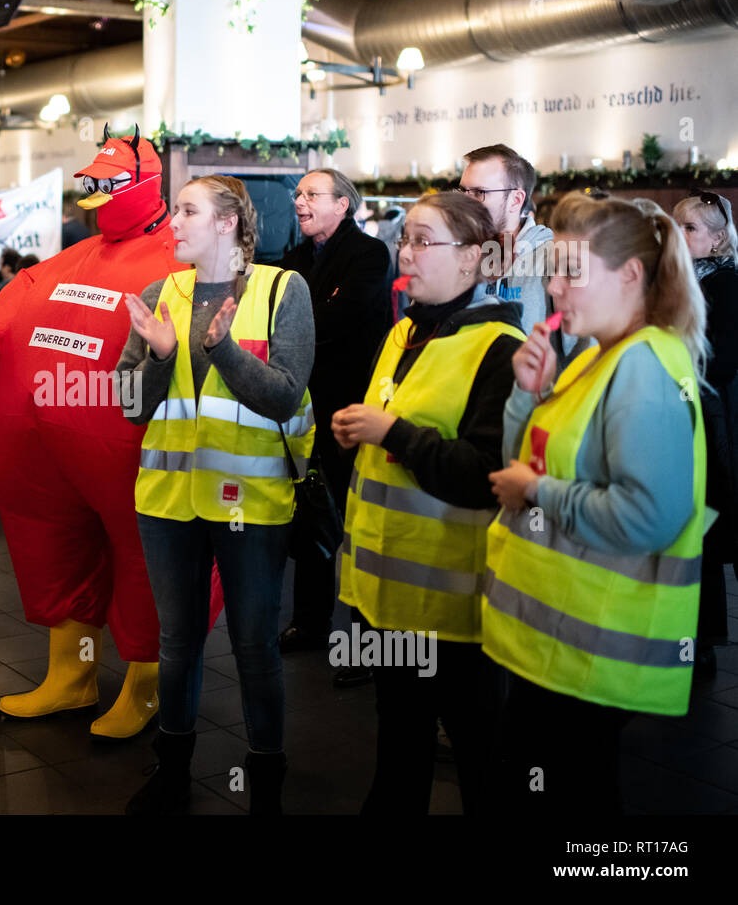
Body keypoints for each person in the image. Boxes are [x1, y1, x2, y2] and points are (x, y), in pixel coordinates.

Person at [0, 130, 185, 739]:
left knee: (145, 562)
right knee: (55, 555)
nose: (93, 195)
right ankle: (71, 679)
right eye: (90, 184)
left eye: (106, 184)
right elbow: (13, 312)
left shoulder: (182, 263)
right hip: (45, 456)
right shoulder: (67, 261)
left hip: (132, 452)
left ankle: (145, 686)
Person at [484, 192, 708, 813]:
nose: (554, 287)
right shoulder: (599, 358)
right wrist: (528, 396)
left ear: (631, 275)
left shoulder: (642, 368)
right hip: (561, 643)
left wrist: (537, 493)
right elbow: (524, 458)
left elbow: (647, 516)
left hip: (592, 648)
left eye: (572, 272)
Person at [119, 174, 314, 814]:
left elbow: (284, 394)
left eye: (187, 211)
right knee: (177, 643)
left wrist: (221, 349)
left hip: (250, 505)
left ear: (228, 222)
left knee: (254, 645)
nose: (173, 222)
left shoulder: (284, 289)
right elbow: (128, 407)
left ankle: (266, 781)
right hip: (169, 503)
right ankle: (172, 773)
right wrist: (158, 357)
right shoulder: (159, 293)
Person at [333, 191, 524, 814]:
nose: (405, 252)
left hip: (458, 608)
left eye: (422, 240)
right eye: (404, 239)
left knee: (481, 760)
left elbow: (483, 475)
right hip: (389, 599)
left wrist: (392, 434)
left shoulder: (499, 348)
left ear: (473, 257)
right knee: (400, 748)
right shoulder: (405, 332)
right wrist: (359, 433)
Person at [274, 167, 392, 672]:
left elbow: (335, 320)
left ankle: (367, 645)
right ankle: (310, 622)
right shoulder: (295, 257)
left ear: (343, 204)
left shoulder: (368, 254)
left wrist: (298, 322)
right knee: (310, 517)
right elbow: (285, 316)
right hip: (305, 408)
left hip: (352, 407)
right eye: (298, 194)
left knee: (358, 523)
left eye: (312, 194)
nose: (300, 201)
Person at [673, 189, 738, 675]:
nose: (680, 235)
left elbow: (723, 359)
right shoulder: (685, 281)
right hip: (691, 416)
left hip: (715, 424)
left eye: (690, 228)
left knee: (712, 528)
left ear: (718, 240)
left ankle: (703, 645)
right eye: (676, 226)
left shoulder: (725, 286)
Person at [460, 144, 584, 370]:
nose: (466, 204)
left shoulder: (555, 257)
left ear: (516, 200)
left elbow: (582, 348)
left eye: (479, 193)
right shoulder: (460, 255)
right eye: (463, 191)